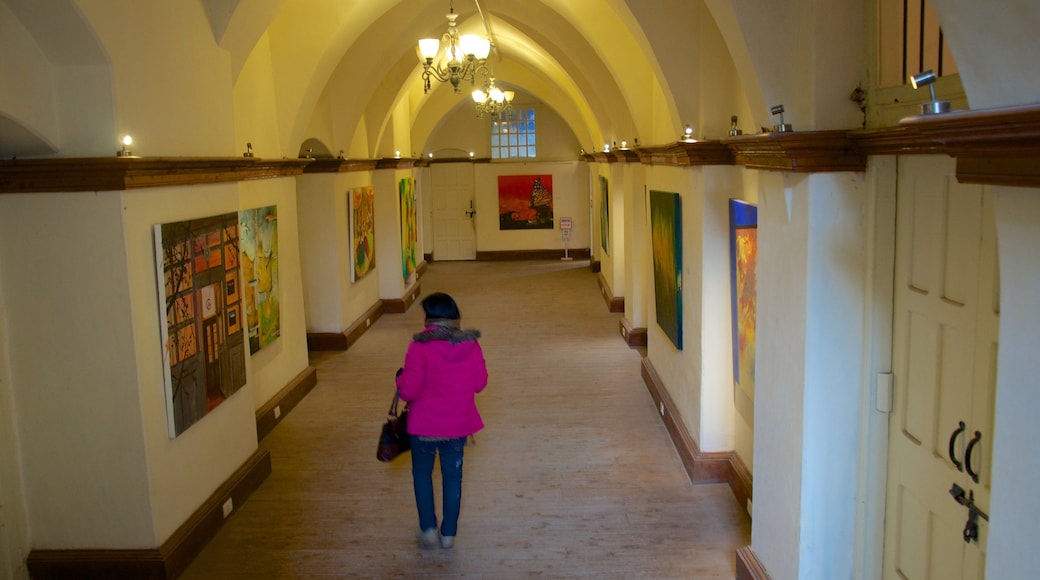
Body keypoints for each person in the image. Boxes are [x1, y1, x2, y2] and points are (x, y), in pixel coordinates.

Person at [395, 292, 488, 549]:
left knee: (422, 475)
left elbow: (409, 391)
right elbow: (480, 383)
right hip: (457, 427)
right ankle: (448, 534)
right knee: (452, 477)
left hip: (423, 427)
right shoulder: (471, 345)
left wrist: (399, 380)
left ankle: (427, 528)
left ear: (429, 320)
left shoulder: (419, 347)